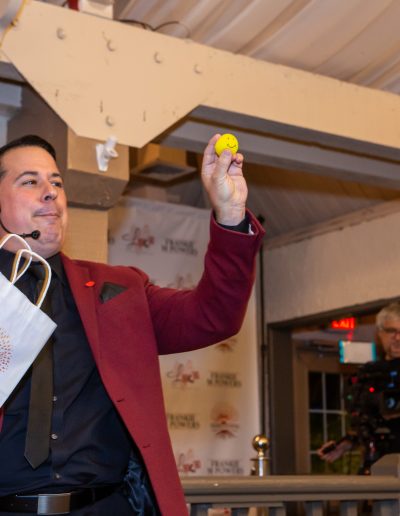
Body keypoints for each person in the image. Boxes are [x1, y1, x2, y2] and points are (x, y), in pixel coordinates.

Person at [0, 134, 264, 515]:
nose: (50, 192)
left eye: (56, 182)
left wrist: (231, 215)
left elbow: (214, 315)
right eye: (30, 181)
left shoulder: (119, 289)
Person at [318, 302, 400, 474]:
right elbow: (366, 421)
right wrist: (345, 444)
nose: (398, 338)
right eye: (391, 331)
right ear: (380, 333)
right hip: (377, 464)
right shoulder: (369, 374)